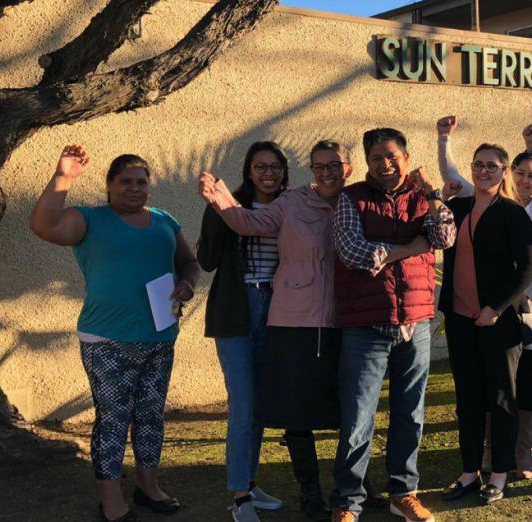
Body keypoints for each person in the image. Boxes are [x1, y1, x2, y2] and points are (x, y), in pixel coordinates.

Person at [199, 140, 385, 521]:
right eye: (319, 166)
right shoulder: (293, 203)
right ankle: (264, 493)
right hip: (277, 313)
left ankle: (350, 489)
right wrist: (218, 199)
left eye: (334, 165)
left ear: (348, 168)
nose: (327, 172)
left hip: (341, 315)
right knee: (267, 406)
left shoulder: (357, 200)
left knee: (346, 407)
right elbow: (241, 229)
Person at [29, 145, 200, 522]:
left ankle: (148, 485)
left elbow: (189, 262)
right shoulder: (91, 220)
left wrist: (187, 284)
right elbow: (44, 226)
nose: (134, 189)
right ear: (109, 185)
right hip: (107, 341)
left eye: (141, 182)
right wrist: (64, 178)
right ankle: (110, 500)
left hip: (159, 336)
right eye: (125, 182)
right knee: (113, 418)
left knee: (151, 415)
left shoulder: (164, 220)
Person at [329, 128, 456, 522]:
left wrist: (433, 194)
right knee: (356, 418)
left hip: (415, 322)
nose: (385, 165)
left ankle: (404, 492)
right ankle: (348, 501)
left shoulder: (423, 198)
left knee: (411, 413)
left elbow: (445, 235)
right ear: (366, 163)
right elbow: (353, 251)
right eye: (376, 158)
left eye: (392, 156)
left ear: (405, 156)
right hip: (366, 324)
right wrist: (413, 247)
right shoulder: (351, 198)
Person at [436, 116, 532, 480]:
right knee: (468, 400)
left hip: (499, 320)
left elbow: (529, 267)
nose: (483, 171)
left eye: (491, 165)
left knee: (503, 397)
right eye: (478, 165)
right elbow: (433, 235)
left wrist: (497, 308)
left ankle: (501, 473)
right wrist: (436, 196)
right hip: (460, 320)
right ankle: (470, 471)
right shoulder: (457, 209)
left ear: (504, 171)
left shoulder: (513, 213)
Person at [196, 141, 288, 521]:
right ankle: (239, 496)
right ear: (249, 171)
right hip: (236, 310)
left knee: (261, 405)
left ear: (284, 170)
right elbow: (206, 260)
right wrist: (218, 209)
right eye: (260, 167)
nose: (268, 174)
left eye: (275, 167)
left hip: (279, 310)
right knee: (243, 405)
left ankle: (249, 482)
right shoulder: (229, 203)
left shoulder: (292, 206)